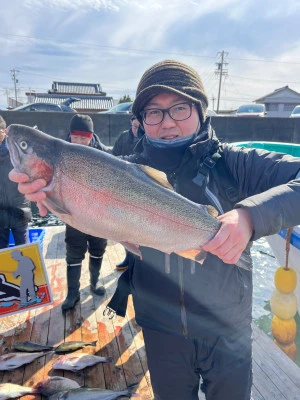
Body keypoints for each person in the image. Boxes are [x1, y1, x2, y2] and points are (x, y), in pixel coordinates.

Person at [9, 60, 300, 400]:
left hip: (229, 331)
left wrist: (252, 217)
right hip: (162, 333)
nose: (168, 123)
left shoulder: (237, 164)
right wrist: (54, 197)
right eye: (154, 112)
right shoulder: (122, 171)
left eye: (179, 108)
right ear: (141, 120)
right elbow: (90, 214)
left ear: (200, 111)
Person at [62, 114, 109, 312]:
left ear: (91, 136)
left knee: (98, 249)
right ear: (70, 135)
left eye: (85, 137)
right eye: (76, 137)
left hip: (100, 215)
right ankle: (72, 292)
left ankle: (94, 282)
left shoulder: (105, 154)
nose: (80, 141)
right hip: (73, 214)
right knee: (74, 252)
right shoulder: (60, 153)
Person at [112, 116, 144, 271]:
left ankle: (139, 261)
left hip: (142, 190)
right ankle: (128, 258)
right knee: (124, 228)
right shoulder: (123, 137)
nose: (137, 129)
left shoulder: (147, 137)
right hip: (122, 189)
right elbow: (112, 157)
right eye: (135, 125)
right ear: (131, 122)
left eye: (140, 126)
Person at [0, 115, 32, 249]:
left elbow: (30, 176)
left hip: (19, 210)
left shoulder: (17, 151)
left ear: (5, 132)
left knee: (23, 251)